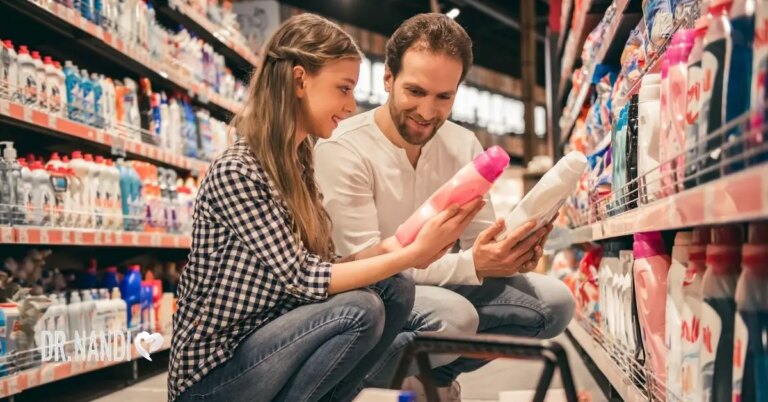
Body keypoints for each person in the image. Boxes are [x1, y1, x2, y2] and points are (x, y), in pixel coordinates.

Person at [168, 14, 484, 402]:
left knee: (395, 288)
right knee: (359, 309)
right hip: (216, 371)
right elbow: (304, 278)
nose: (351, 106)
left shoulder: (299, 160)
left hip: (274, 340)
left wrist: (406, 248)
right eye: (343, 89)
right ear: (300, 81)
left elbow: (328, 260)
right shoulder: (240, 170)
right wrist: (412, 255)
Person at [315, 13, 576, 399]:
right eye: (415, 91)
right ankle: (365, 379)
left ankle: (431, 375)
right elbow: (364, 267)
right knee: (455, 317)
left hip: (442, 285)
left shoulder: (462, 144)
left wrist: (511, 250)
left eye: (443, 97)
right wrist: (472, 265)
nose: (426, 111)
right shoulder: (344, 147)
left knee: (556, 303)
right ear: (388, 79)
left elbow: (478, 244)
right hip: (371, 297)